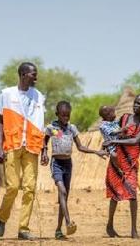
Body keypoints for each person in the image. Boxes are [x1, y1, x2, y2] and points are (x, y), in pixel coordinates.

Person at [0, 62, 47, 241]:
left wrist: (45, 149)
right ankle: (2, 218)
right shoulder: (7, 94)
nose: (36, 77)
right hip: (12, 144)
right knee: (13, 187)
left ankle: (23, 228)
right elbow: (0, 122)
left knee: (30, 188)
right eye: (33, 74)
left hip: (32, 146)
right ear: (23, 74)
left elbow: (41, 123)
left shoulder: (39, 96)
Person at [43, 101, 107, 240]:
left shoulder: (71, 129)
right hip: (57, 164)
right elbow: (45, 140)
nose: (66, 118)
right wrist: (44, 152)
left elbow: (80, 147)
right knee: (63, 191)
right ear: (57, 114)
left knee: (63, 197)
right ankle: (68, 222)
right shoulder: (53, 127)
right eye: (63, 115)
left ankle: (58, 230)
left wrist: (96, 151)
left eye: (68, 115)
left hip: (68, 164)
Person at [103, 94, 140, 239]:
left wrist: (114, 143)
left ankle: (134, 230)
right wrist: (110, 145)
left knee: (132, 195)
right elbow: (113, 132)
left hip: (131, 163)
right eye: (135, 102)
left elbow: (136, 140)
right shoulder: (124, 117)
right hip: (117, 161)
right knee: (115, 194)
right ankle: (110, 225)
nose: (136, 105)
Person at [98, 105, 127, 177]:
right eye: (113, 112)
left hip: (121, 142)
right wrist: (121, 130)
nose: (115, 114)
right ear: (108, 115)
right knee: (114, 155)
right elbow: (112, 133)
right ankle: (117, 169)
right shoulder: (103, 126)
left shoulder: (115, 122)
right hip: (112, 145)